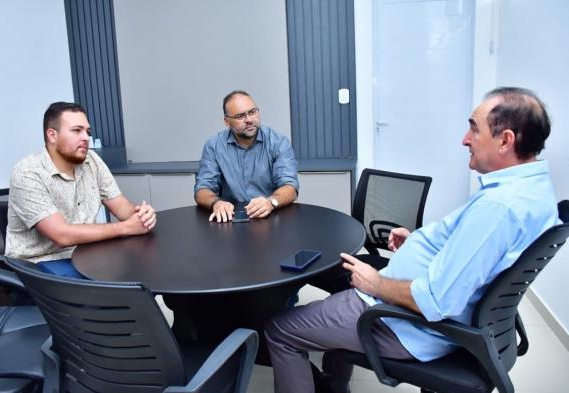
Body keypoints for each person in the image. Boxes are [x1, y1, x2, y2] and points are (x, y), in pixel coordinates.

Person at [264, 87, 560, 393]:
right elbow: (480, 252)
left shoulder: (499, 209)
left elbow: (436, 301)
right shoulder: (533, 189)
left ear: (505, 140)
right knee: (336, 292)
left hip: (405, 325)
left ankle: (331, 381)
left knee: (280, 329)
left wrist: (375, 284)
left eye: (474, 127)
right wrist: (422, 241)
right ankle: (334, 385)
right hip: (432, 313)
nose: (465, 139)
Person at [5, 102, 157, 278]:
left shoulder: (92, 160)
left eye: (87, 132)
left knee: (140, 270)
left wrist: (141, 214)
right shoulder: (27, 172)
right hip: (41, 263)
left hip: (85, 252)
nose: (86, 138)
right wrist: (126, 227)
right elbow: (61, 236)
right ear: (52, 135)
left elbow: (123, 208)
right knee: (117, 290)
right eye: (77, 131)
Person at [194, 90, 299, 222]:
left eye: (252, 112)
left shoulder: (278, 142)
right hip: (230, 219)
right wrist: (216, 203)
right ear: (227, 122)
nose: (249, 120)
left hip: (270, 216)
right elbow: (203, 188)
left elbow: (290, 186)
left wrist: (271, 202)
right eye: (240, 116)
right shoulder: (214, 146)